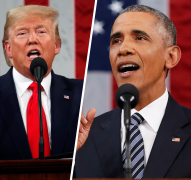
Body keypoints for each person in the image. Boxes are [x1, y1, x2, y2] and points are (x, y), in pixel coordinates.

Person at [74, 5, 191, 178]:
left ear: (170, 57)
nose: (123, 49)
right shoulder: (83, 138)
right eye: (116, 41)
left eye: (139, 38)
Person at [0, 5, 83, 160]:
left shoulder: (79, 93)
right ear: (9, 49)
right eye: (22, 33)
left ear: (57, 45)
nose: (32, 39)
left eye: (41, 31)